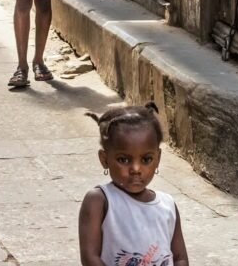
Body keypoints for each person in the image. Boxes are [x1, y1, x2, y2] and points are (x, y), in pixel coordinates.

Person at [77, 103, 188, 266]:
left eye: (146, 160)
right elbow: (90, 258)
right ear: (104, 159)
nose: (136, 169)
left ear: (158, 159)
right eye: (124, 159)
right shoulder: (100, 201)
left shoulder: (167, 205)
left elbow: (180, 258)